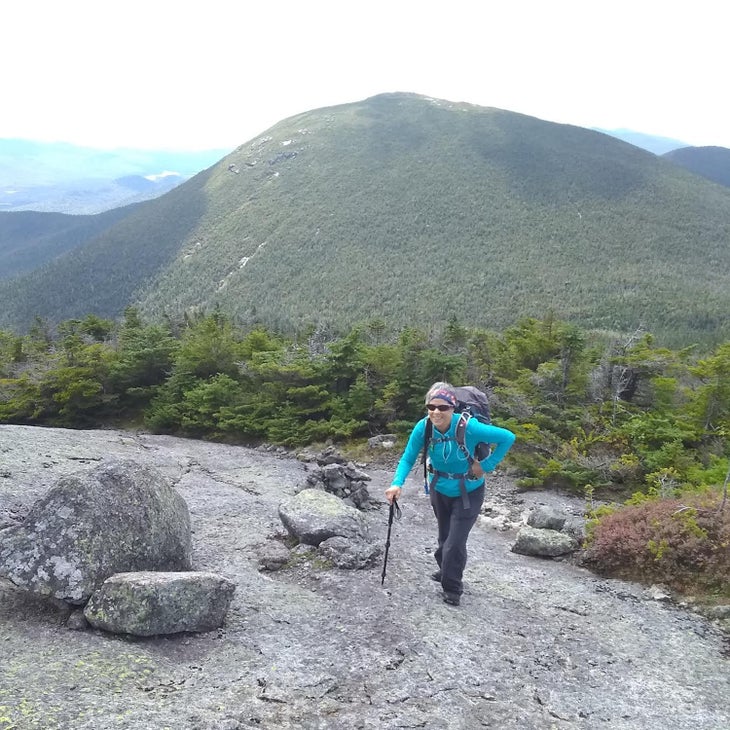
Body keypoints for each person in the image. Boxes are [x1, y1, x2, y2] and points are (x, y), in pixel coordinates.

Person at [384, 382, 516, 606]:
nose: (436, 412)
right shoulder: (423, 427)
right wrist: (397, 483)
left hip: (469, 491)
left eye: (443, 407)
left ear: (452, 407)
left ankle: (452, 587)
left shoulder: (470, 427)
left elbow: (508, 437)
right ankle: (445, 568)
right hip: (439, 488)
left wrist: (487, 465)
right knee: (444, 535)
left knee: (455, 541)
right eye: (431, 406)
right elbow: (408, 457)